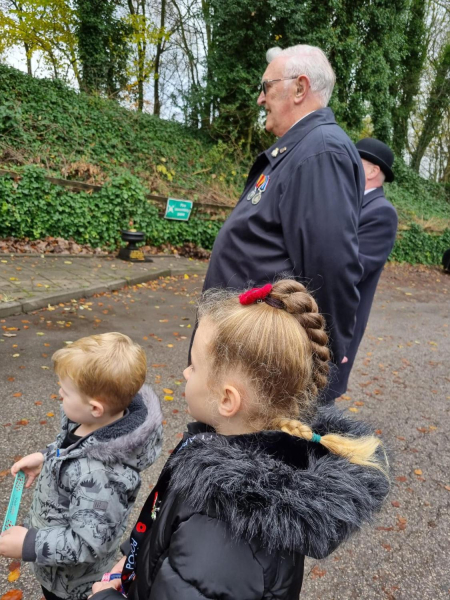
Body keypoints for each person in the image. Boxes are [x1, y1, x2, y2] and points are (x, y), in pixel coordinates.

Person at [90, 280, 389, 600]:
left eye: (193, 365)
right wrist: (135, 558)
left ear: (227, 401)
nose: (186, 373)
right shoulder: (227, 445)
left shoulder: (219, 534)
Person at [200, 44, 365, 399]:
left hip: (263, 370)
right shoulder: (303, 150)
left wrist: (321, 364)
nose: (261, 99)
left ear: (300, 88)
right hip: (249, 359)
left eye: (266, 87)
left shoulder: (320, 152)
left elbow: (329, 269)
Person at [0, 332, 163, 600]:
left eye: (65, 392)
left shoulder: (103, 476)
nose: (59, 395)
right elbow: (72, 450)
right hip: (55, 569)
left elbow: (88, 544)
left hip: (73, 585)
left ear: (95, 408)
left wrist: (28, 544)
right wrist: (46, 457)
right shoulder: (90, 423)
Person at [331, 138, 398, 398]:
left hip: (339, 324)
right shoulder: (347, 202)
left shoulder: (382, 212)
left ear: (373, 171)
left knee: (318, 406)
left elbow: (352, 269)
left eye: (354, 161)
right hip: (320, 316)